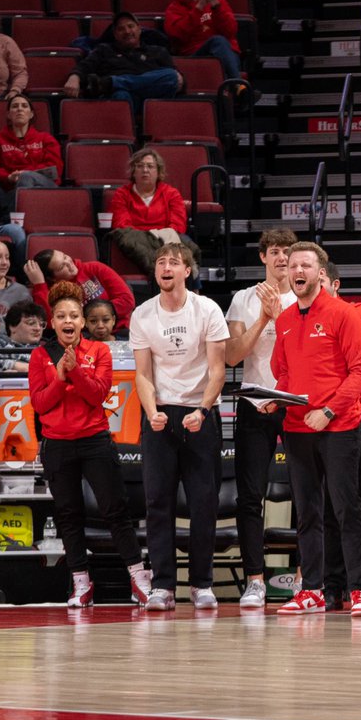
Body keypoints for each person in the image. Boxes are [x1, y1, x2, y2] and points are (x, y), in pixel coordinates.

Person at [28, 282, 152, 609]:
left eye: (73, 315)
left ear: (82, 320)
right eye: (60, 316)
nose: (67, 321)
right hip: (57, 444)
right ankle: (81, 582)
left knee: (115, 510)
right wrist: (59, 375)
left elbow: (98, 395)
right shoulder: (40, 355)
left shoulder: (100, 351)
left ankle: (139, 577)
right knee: (69, 514)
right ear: (51, 322)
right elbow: (40, 405)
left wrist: (75, 375)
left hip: (95, 440)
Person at [269, 243, 361, 617]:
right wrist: (274, 399)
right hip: (296, 428)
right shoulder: (282, 320)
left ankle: (360, 589)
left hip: (339, 425)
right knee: (308, 512)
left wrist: (328, 411)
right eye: (293, 265)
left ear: (319, 273)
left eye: (306, 265)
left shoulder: (342, 314)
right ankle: (311, 588)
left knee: (347, 508)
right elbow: (283, 372)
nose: (298, 270)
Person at [129, 242, 228, 612]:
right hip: (161, 414)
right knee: (157, 501)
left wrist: (202, 409)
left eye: (174, 262)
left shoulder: (207, 310)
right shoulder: (143, 314)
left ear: (188, 270)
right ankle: (163, 586)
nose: (166, 267)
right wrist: (152, 410)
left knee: (204, 502)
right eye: (160, 262)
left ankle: (202, 583)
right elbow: (142, 373)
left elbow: (218, 369)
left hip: (200, 412)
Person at [224, 229, 296, 610]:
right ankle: (255, 580)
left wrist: (281, 316)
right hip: (255, 402)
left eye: (287, 251)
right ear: (263, 258)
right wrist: (263, 317)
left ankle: (306, 577)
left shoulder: (304, 293)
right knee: (250, 495)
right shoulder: (242, 299)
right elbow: (232, 356)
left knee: (307, 491)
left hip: (294, 400)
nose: (282, 257)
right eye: (275, 251)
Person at [318, 262, 361, 615]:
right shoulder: (303, 318)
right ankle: (332, 587)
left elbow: (345, 358)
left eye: (322, 282)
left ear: (335, 283)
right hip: (326, 415)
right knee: (330, 504)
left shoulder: (358, 313)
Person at [106, 148, 195, 280]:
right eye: (140, 166)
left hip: (164, 237)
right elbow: (121, 224)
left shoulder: (171, 193)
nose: (145, 170)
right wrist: (149, 236)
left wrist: (158, 236)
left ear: (158, 172)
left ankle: (191, 291)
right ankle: (159, 272)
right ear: (133, 172)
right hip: (135, 238)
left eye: (150, 166)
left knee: (188, 244)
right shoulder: (121, 194)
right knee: (125, 238)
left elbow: (178, 224)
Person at [63, 12, 180, 111]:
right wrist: (74, 77)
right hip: (123, 98)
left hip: (153, 98)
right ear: (115, 34)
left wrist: (179, 78)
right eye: (121, 29)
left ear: (139, 29)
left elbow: (176, 81)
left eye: (131, 26)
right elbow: (84, 66)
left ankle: (111, 82)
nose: (127, 31)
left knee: (170, 76)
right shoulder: (104, 50)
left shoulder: (158, 51)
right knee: (121, 95)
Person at [25, 249, 136, 332]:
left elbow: (127, 301)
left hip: (118, 330)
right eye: (61, 267)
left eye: (65, 257)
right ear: (52, 278)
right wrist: (39, 284)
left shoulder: (95, 268)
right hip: (83, 338)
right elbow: (51, 322)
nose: (69, 263)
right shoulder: (53, 290)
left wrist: (82, 316)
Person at [0, 94, 62, 192]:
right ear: (8, 114)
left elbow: (55, 167)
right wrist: (8, 177)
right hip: (9, 188)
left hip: (44, 186)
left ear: (31, 114)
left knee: (26, 177)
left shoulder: (46, 139)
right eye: (15, 106)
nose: (19, 109)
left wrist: (24, 173)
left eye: (24, 106)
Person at [165, 0, 242, 81]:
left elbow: (231, 32)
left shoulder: (219, 2)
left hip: (226, 55)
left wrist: (215, 6)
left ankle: (234, 86)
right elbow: (178, 36)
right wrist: (199, 7)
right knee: (217, 41)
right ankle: (238, 86)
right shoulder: (173, 9)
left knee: (220, 43)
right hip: (194, 57)